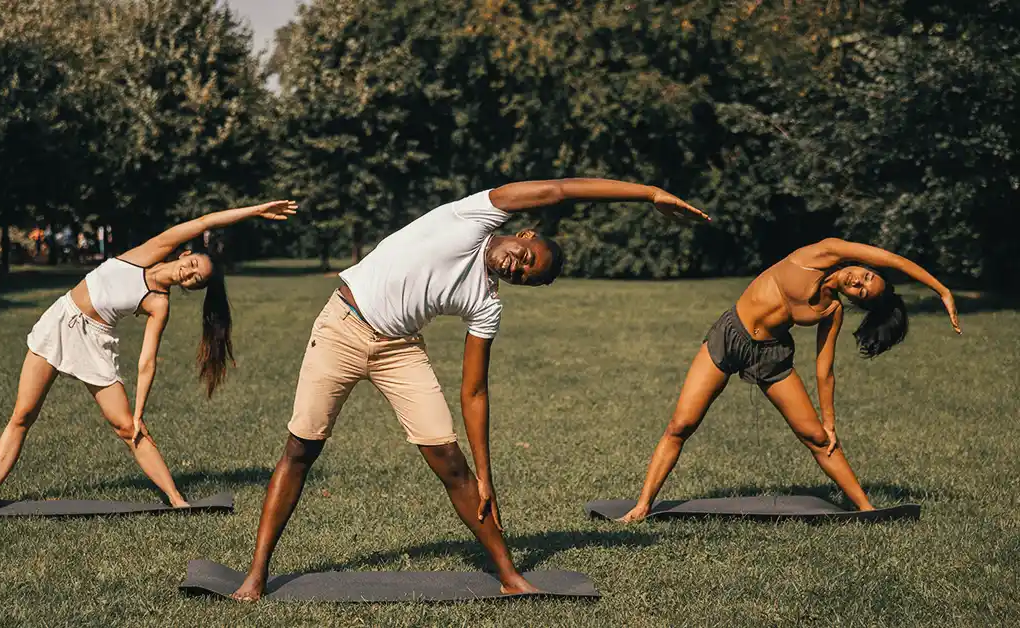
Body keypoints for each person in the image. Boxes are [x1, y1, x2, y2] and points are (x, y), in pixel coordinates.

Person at [231, 179, 709, 600]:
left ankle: (509, 576)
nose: (517, 267)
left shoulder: (486, 303)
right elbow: (560, 189)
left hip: (400, 349)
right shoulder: (472, 216)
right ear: (524, 234)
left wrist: (487, 475)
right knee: (300, 449)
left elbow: (474, 391)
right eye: (527, 257)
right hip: (341, 326)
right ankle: (255, 576)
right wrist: (648, 193)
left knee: (454, 466)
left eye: (525, 276)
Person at [0, 200, 298, 514]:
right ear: (184, 254)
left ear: (192, 288)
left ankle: (177, 500)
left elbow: (147, 361)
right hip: (60, 321)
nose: (190, 273)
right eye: (193, 264)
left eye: (197, 279)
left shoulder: (158, 303)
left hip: (95, 342)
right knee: (22, 415)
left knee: (128, 427)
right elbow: (205, 221)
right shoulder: (150, 251)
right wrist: (256, 211)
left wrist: (138, 412)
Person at [619, 238, 961, 522]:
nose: (860, 283)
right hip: (731, 334)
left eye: (864, 293)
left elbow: (824, 369)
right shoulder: (824, 253)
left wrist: (830, 422)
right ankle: (643, 505)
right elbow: (890, 257)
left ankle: (866, 509)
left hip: (771, 353)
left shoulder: (832, 310)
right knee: (681, 424)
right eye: (867, 277)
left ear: (857, 303)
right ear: (864, 266)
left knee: (815, 436)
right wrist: (941, 289)